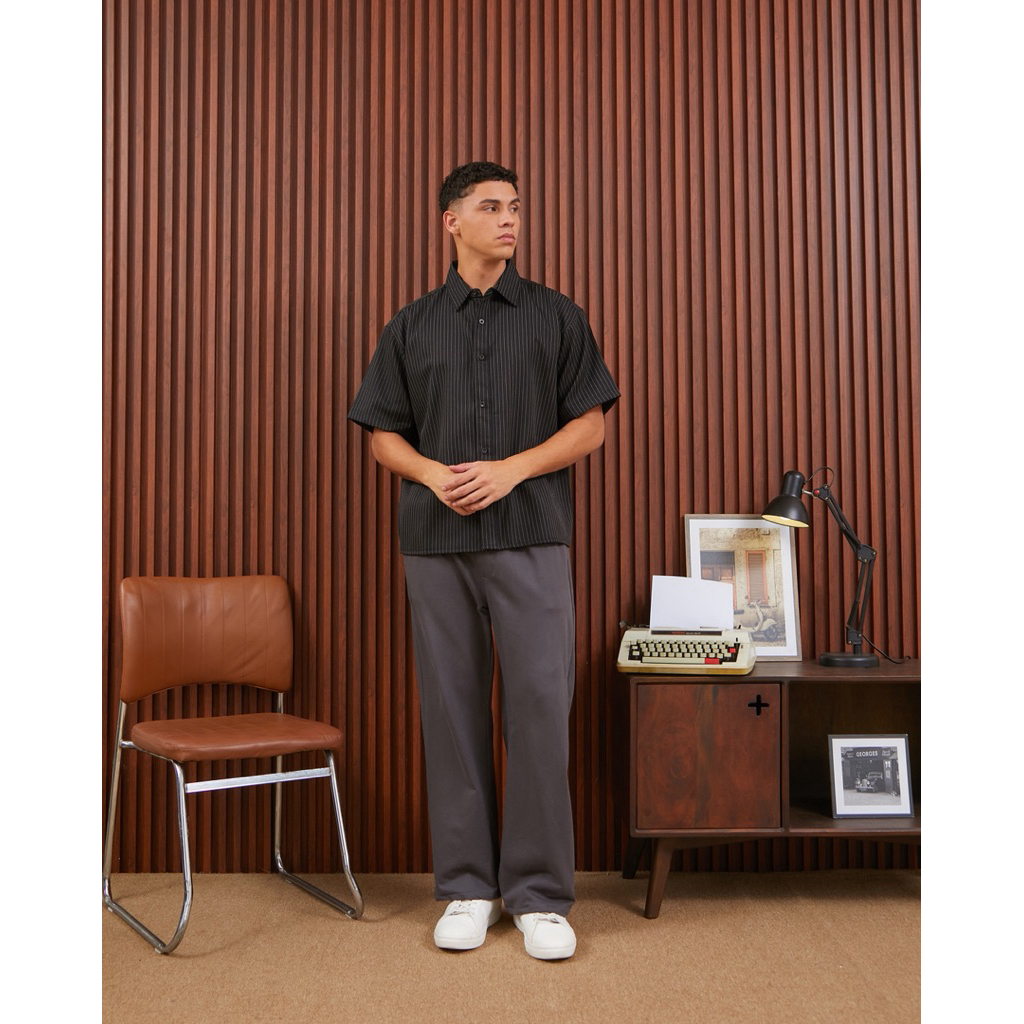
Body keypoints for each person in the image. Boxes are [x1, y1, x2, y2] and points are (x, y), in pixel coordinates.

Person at [349, 160, 619, 961]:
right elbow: (382, 435)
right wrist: (433, 474)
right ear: (451, 221)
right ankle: (468, 887)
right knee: (451, 712)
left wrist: (512, 470)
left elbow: (592, 425)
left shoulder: (557, 316)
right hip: (435, 544)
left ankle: (540, 896)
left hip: (533, 535)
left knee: (538, 708)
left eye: (516, 207)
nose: (510, 219)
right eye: (492, 207)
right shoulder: (410, 326)